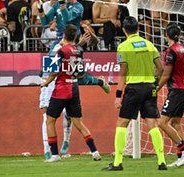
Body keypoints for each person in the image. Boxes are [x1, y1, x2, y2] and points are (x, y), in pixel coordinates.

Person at [102, 16, 166, 171]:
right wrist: (155, 84)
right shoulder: (149, 45)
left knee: (122, 123)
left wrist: (118, 96)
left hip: (133, 89)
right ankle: (161, 161)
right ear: (138, 28)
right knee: (152, 124)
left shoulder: (124, 47)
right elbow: (161, 69)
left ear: (124, 30)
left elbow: (122, 73)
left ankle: (117, 162)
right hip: (150, 87)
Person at [42, 24, 101, 163]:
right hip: (74, 87)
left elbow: (54, 71)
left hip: (62, 88)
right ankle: (95, 151)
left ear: (63, 35)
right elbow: (79, 68)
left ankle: (55, 155)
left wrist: (46, 82)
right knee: (78, 122)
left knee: (50, 121)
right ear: (75, 36)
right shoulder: (79, 50)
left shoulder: (61, 51)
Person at [157, 23, 184, 167]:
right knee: (175, 123)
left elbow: (166, 75)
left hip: (177, 89)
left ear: (167, 35)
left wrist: (155, 89)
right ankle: (182, 158)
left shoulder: (170, 51)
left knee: (162, 123)